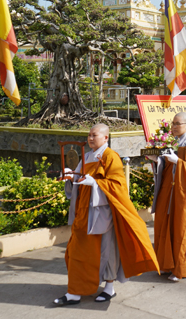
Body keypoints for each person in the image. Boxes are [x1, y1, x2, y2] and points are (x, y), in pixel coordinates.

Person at [55, 124, 159, 306]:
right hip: (84, 213)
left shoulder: (111, 157)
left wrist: (95, 183)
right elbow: (79, 180)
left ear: (105, 138)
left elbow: (118, 186)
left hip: (102, 213)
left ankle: (109, 288)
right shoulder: (87, 156)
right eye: (89, 135)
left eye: (94, 135)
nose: (90, 138)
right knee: (77, 250)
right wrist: (71, 177)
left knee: (107, 251)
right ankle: (75, 291)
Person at [148, 112, 186, 282]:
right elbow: (165, 167)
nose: (173, 126)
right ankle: (166, 264)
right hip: (168, 191)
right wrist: (157, 160)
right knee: (165, 225)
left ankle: (180, 267)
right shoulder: (170, 143)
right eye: (173, 123)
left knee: (181, 228)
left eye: (178, 123)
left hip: (183, 194)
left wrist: (178, 162)